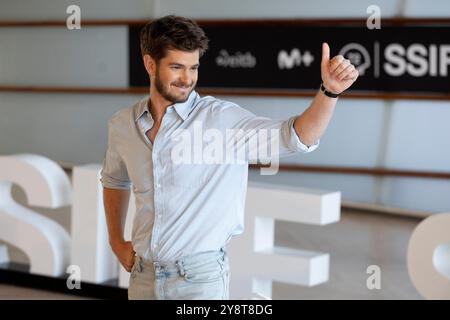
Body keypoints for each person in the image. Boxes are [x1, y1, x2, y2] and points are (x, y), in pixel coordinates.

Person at [100, 15, 358, 300]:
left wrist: (329, 92)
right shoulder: (123, 124)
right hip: (142, 277)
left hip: (199, 281)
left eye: (193, 67)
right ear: (150, 64)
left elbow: (296, 136)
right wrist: (115, 240)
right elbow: (114, 180)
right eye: (177, 67)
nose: (187, 79)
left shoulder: (221, 120)